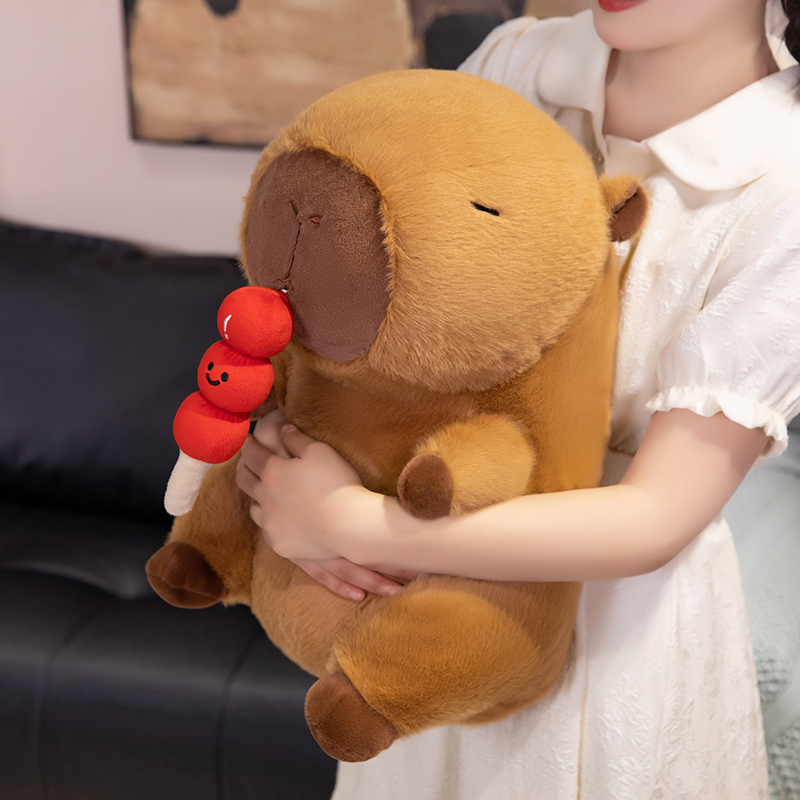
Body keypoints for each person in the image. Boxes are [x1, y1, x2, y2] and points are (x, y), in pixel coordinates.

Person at [235, 0, 800, 796]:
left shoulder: (784, 178)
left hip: (614, 647)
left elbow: (654, 518)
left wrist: (349, 522)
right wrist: (277, 461)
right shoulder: (516, 64)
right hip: (419, 629)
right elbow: (368, 315)